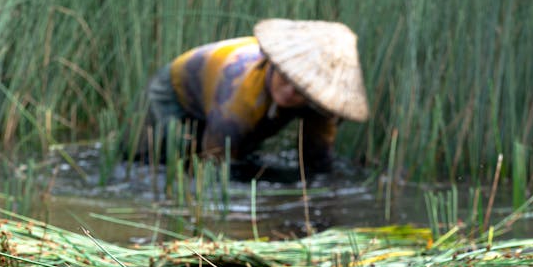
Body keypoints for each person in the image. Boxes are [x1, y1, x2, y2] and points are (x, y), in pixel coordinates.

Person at [140, 18, 369, 177]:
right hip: (177, 90)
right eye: (285, 78)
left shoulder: (320, 102)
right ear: (274, 64)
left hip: (225, 101)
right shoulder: (240, 95)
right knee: (165, 157)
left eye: (300, 91)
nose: (289, 92)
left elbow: (318, 159)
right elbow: (213, 165)